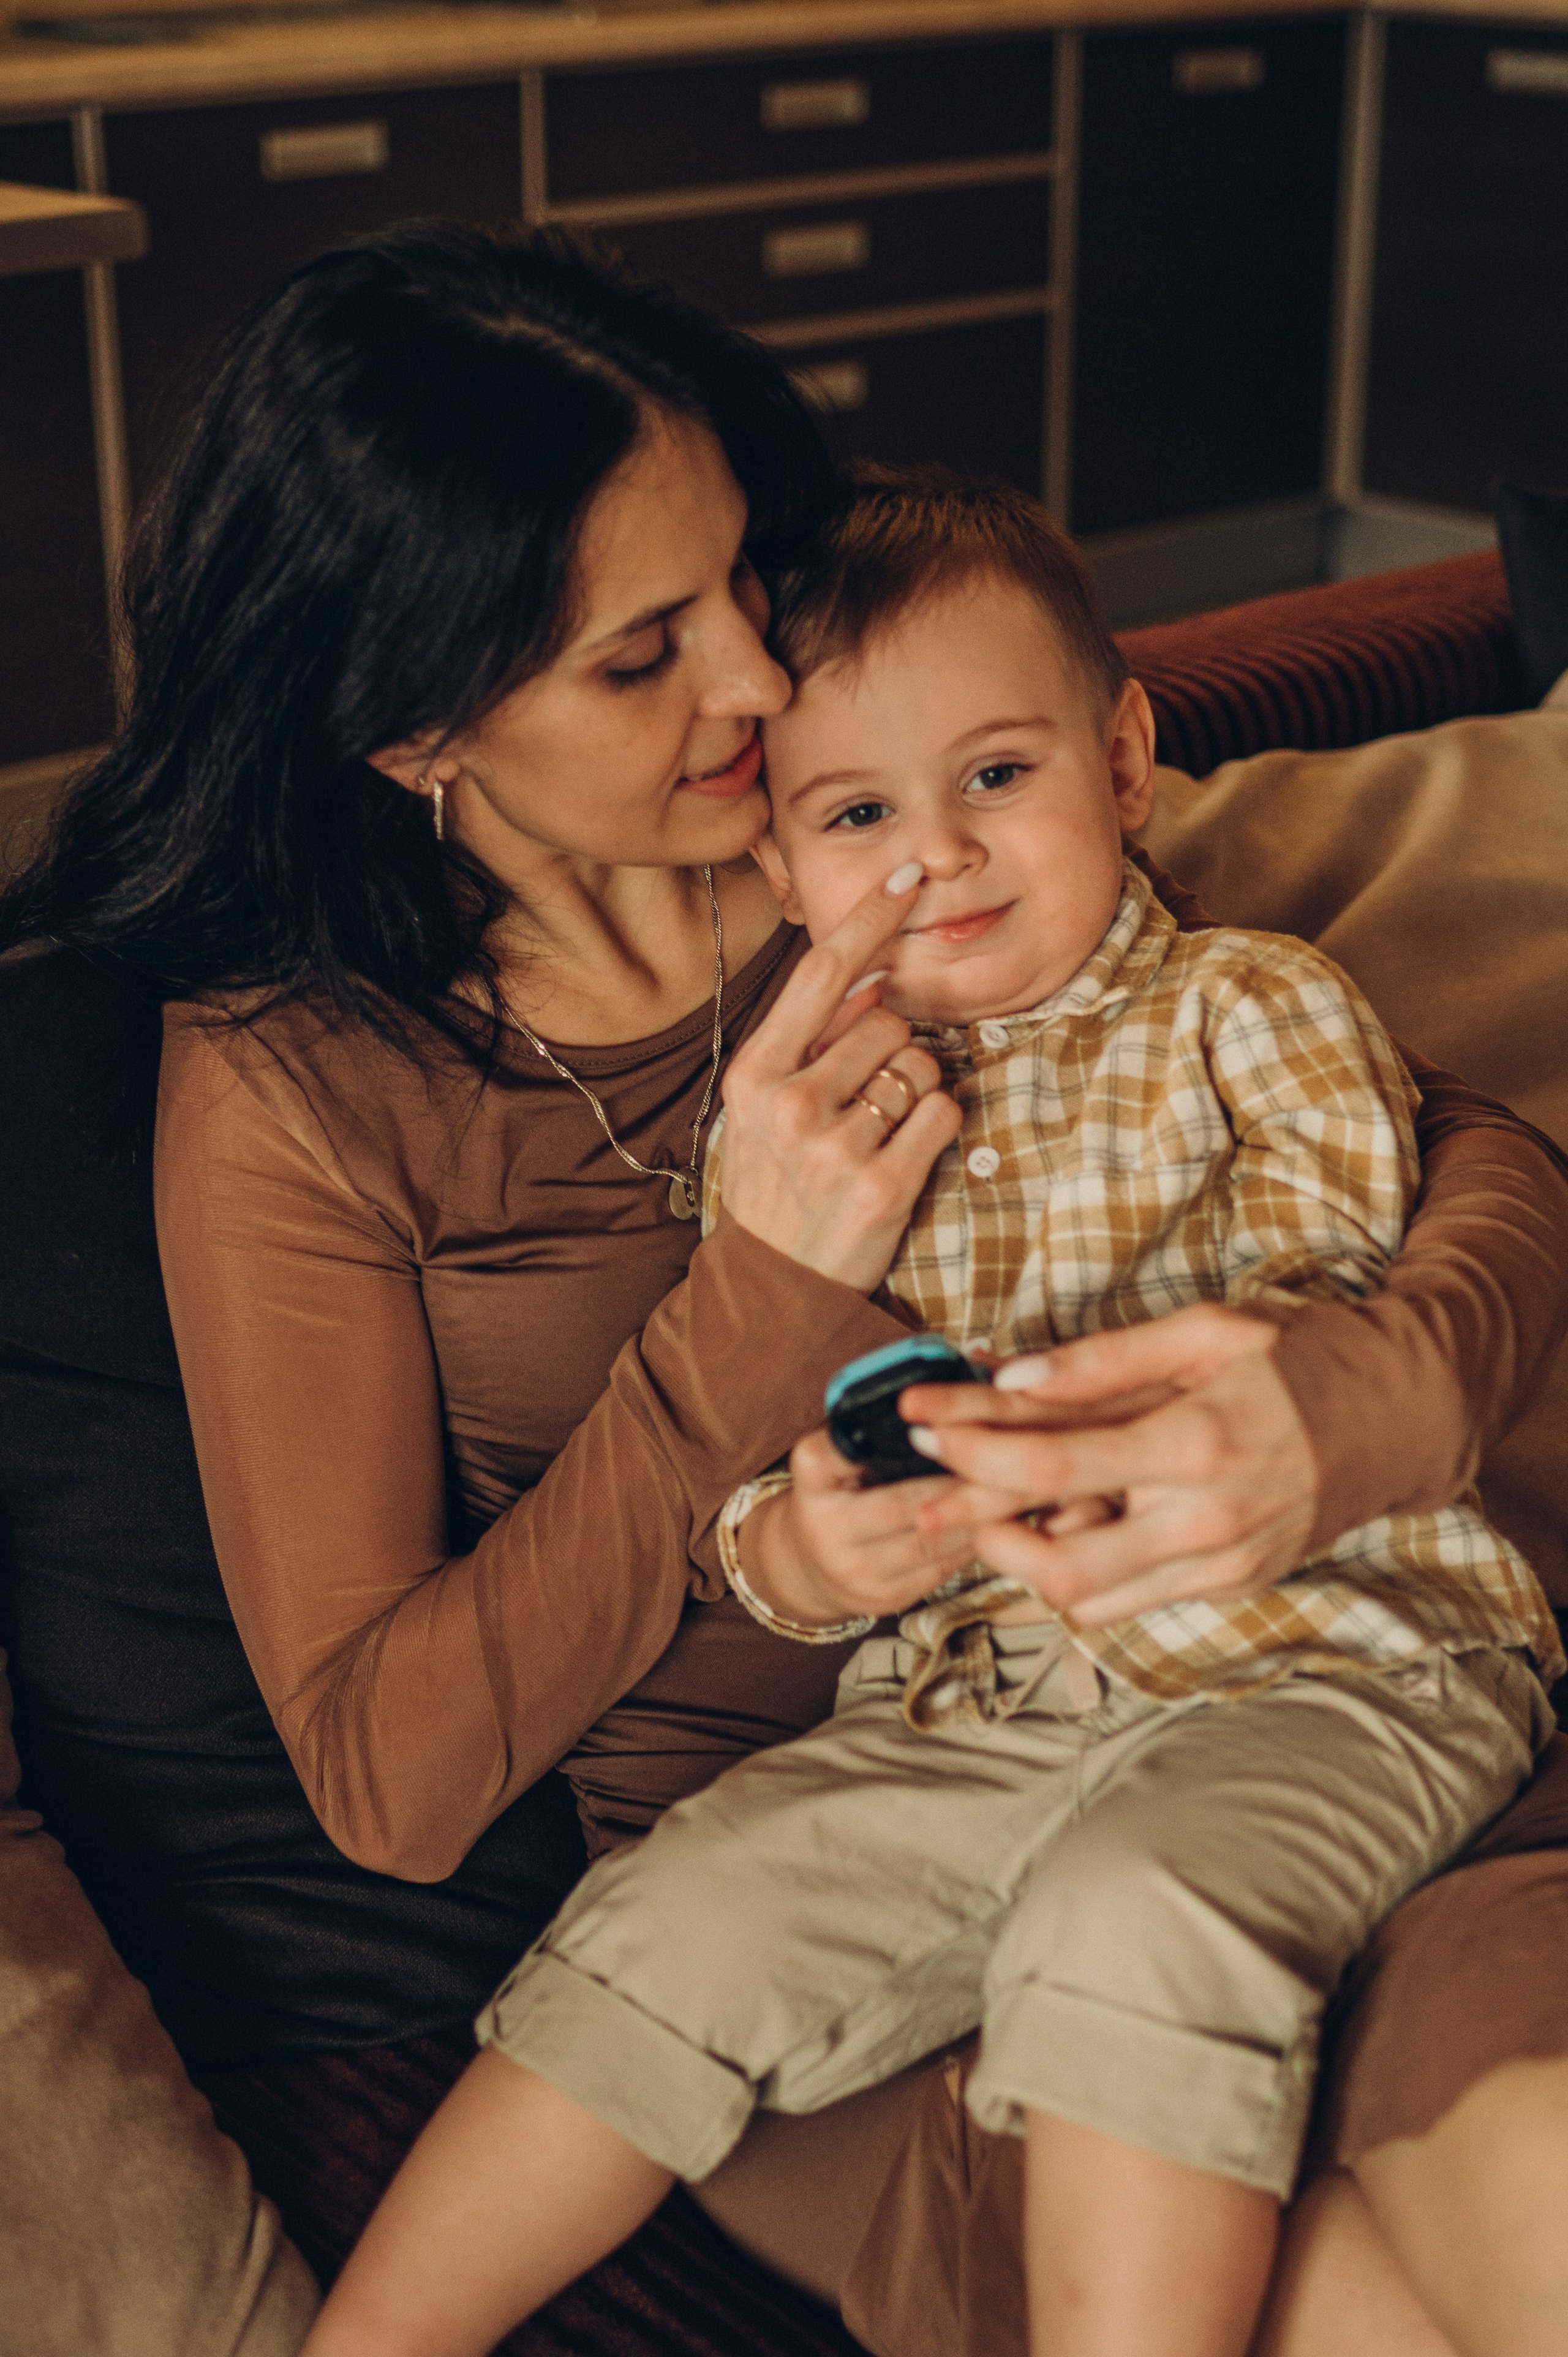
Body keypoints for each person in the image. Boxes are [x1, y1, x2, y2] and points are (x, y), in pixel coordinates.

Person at [1, 224, 1563, 2355]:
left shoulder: (849, 822)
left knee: (1527, 2172)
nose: (758, 683)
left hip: (1301, 1700)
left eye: (737, 578)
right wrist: (757, 1294)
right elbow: (388, 1771)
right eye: (645, 656)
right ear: (413, 733)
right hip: (844, 1868)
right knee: (1349, 2300)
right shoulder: (307, 1076)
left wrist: (1370, 1391)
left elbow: (1430, 1131)